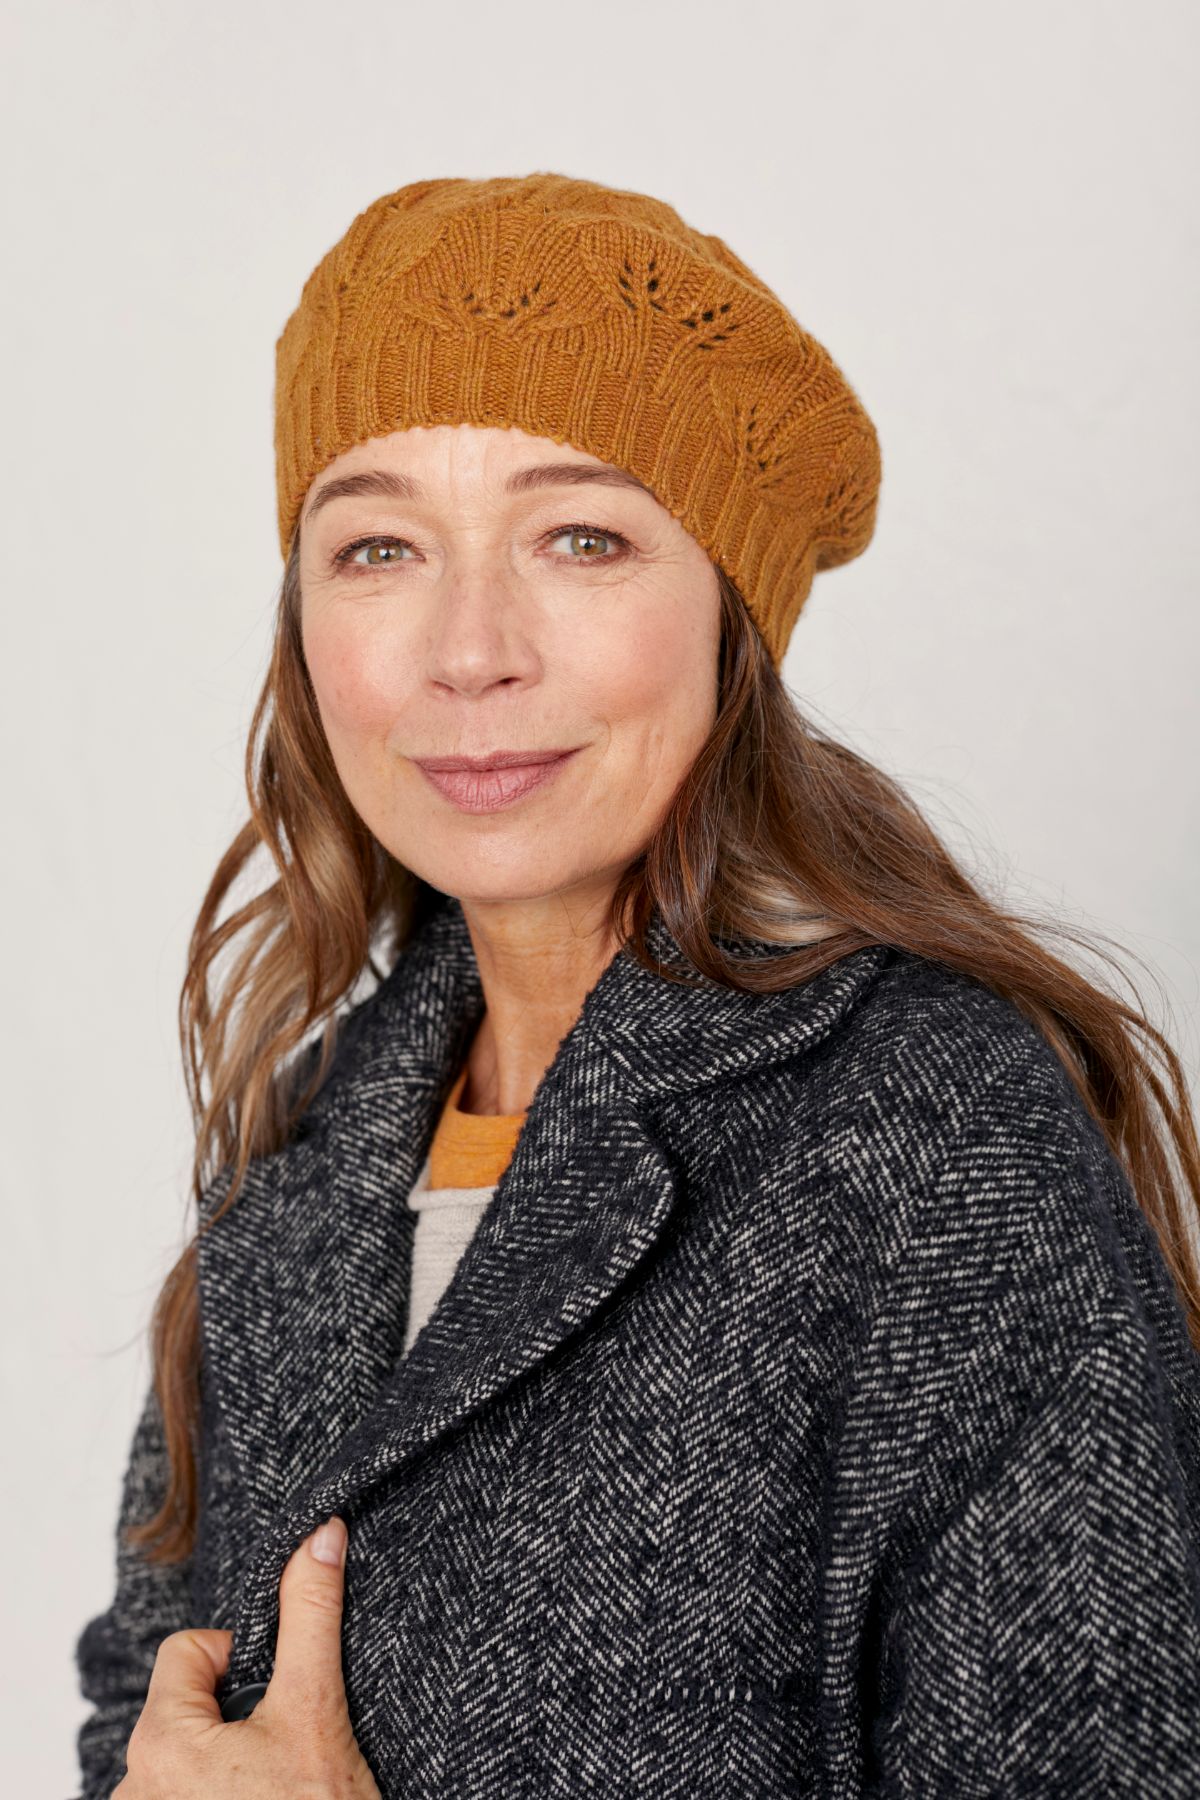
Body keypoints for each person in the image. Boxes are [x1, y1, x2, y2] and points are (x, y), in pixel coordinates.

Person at [73, 171, 1200, 1799]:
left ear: (732, 619)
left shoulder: (934, 1147)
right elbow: (149, 1717)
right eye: (378, 546)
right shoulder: (305, 1144)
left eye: (580, 538)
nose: (471, 649)